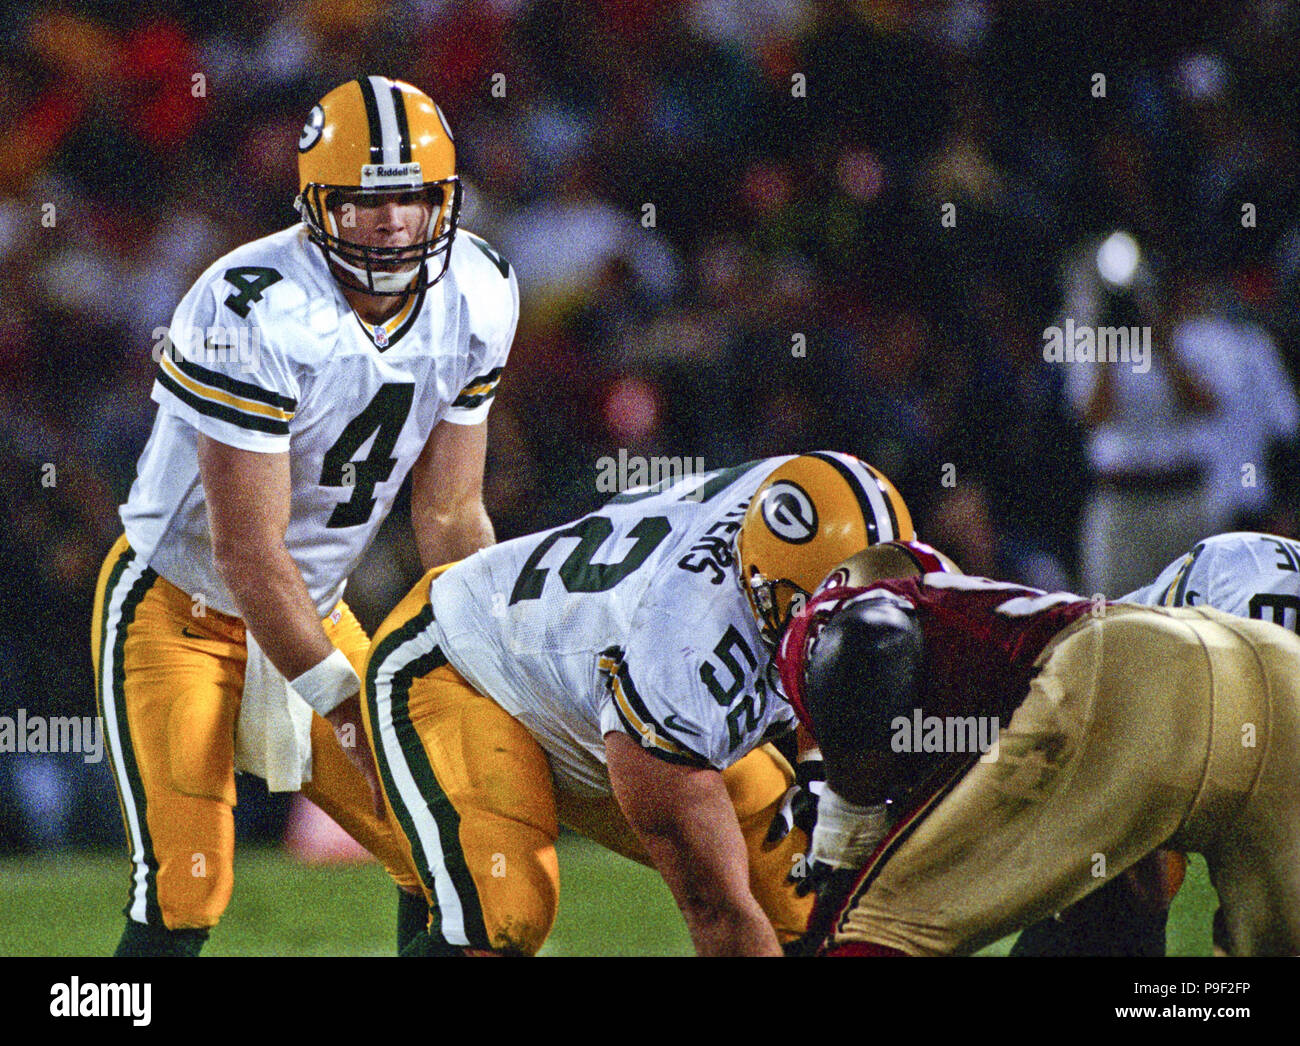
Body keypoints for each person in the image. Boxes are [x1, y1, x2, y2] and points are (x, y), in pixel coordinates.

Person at [92, 76, 518, 956]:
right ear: (316, 202)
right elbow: (245, 549)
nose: (393, 222)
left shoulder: (480, 287)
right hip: (183, 607)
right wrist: (347, 706)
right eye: (365, 201)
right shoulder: (251, 304)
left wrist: (500, 654)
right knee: (186, 886)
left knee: (454, 850)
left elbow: (449, 514)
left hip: (313, 608)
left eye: (413, 196)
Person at [361, 452, 913, 955]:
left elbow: (844, 651)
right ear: (763, 588)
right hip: (464, 670)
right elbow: (718, 916)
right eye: (820, 618)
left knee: (818, 906)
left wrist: (823, 770)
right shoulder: (682, 657)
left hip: (604, 696)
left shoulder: (805, 512)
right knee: (502, 918)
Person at [775, 540, 1300, 956]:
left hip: (1138, 669)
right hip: (1282, 672)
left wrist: (845, 825)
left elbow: (868, 643)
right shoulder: (986, 625)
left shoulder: (840, 634)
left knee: (883, 929)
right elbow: (1128, 894)